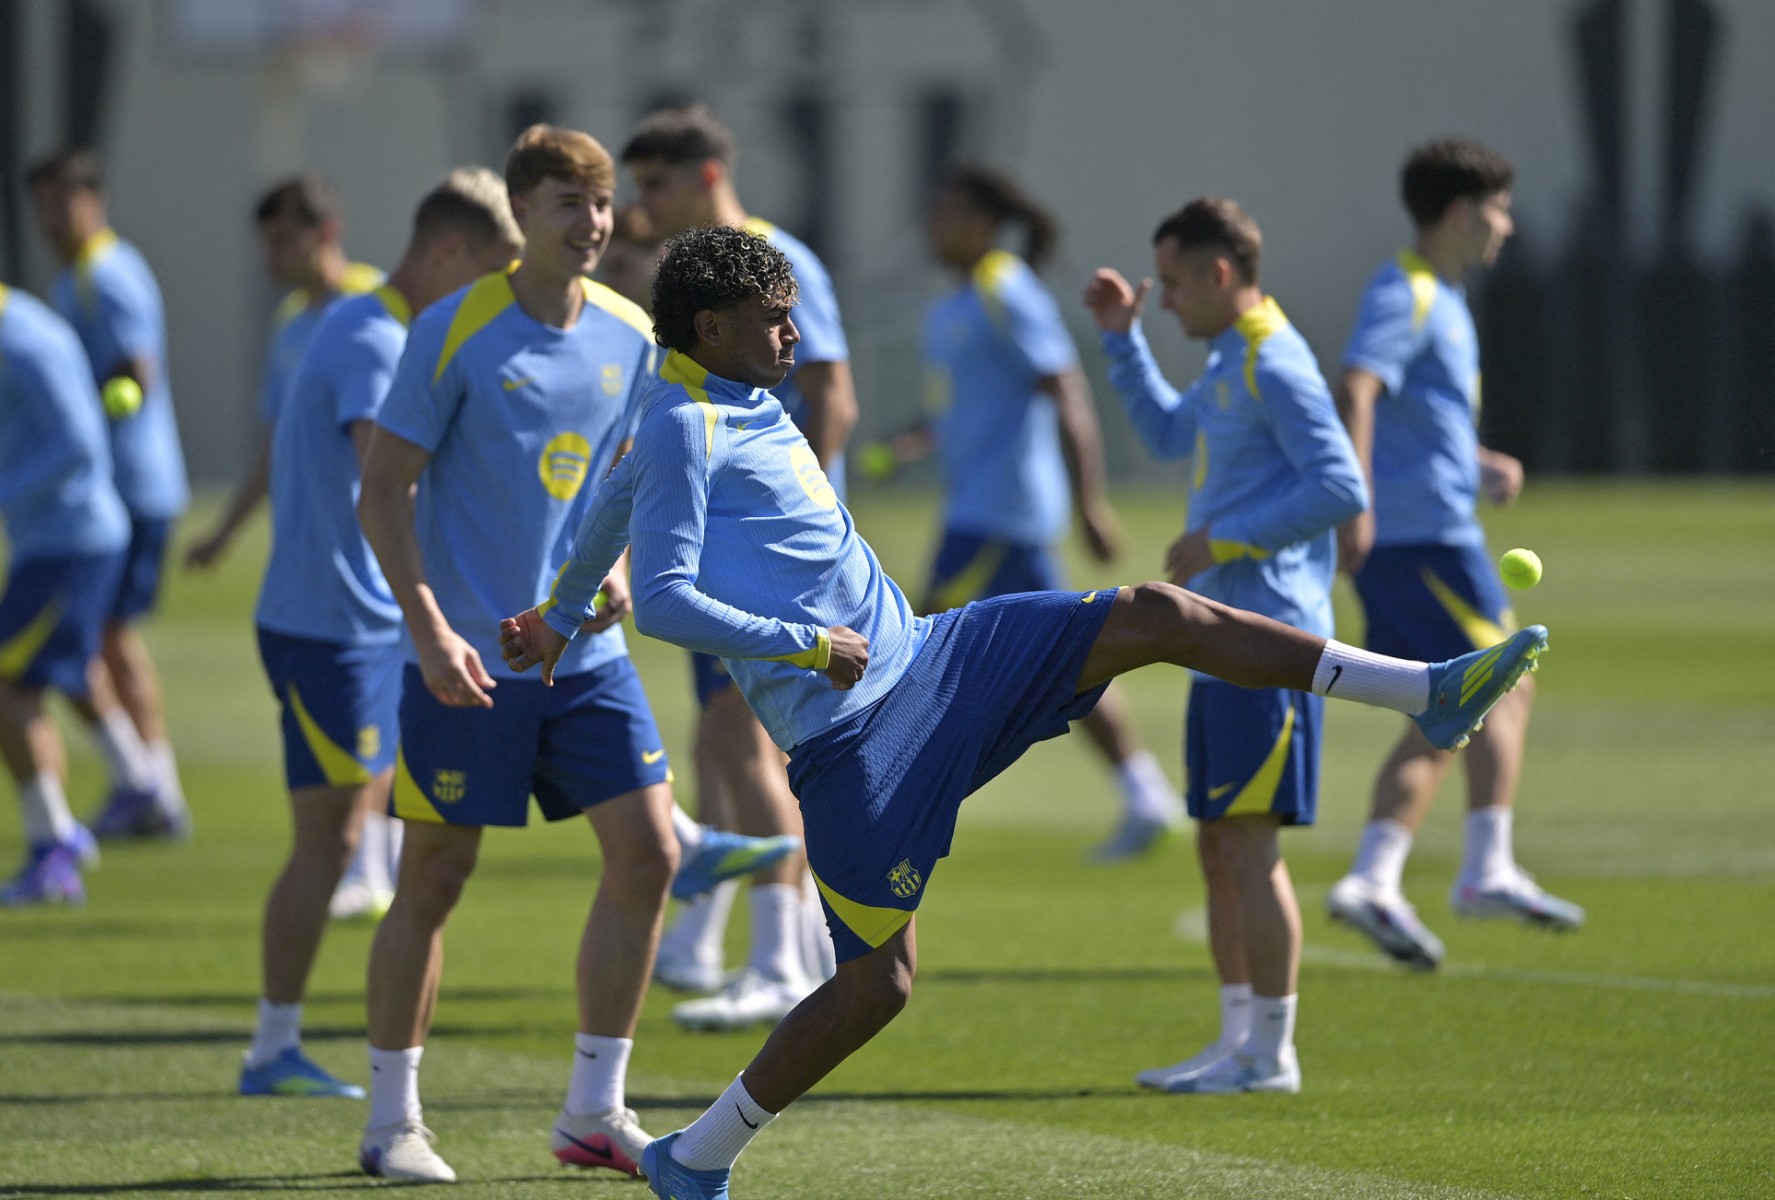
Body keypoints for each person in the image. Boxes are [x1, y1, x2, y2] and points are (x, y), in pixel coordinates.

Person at [497, 222, 1548, 1198]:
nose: (793, 335)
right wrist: (805, 645)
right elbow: (666, 602)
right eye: (773, 319)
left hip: (935, 656)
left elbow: (606, 508)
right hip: (854, 737)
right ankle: (696, 1156)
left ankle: (1424, 691)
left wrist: (556, 616)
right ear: (710, 328)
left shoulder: (723, 398)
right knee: (877, 987)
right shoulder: (684, 424)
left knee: (1155, 612)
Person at [352, 124, 784, 1185]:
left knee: (651, 854)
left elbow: (635, 479)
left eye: (599, 204)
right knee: (435, 877)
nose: (592, 223)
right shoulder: (454, 330)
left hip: (587, 660)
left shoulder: (633, 332)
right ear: (520, 213)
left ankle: (594, 1109)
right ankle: (390, 1120)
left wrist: (623, 567)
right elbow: (383, 491)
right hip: (466, 663)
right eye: (567, 204)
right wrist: (428, 628)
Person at [238, 168, 522, 1101]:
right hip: (333, 628)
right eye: (492, 272)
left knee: (346, 837)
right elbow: (388, 484)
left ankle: (282, 1044)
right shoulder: (373, 339)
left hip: (342, 621)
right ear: (450, 252)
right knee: (325, 842)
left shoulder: (368, 323)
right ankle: (272, 1047)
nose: (498, 295)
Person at [1085, 199, 1367, 1094]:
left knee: (1247, 846)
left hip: (1270, 641)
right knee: (1217, 844)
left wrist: (1226, 540)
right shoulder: (1228, 359)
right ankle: (1236, 1041)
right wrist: (1122, 342)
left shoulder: (1274, 361)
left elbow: (1340, 486)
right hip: (1220, 641)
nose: (1164, 299)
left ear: (1218, 273)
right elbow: (1168, 433)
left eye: (1171, 284)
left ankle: (1270, 1053)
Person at [1325, 137, 1583, 970]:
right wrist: (1356, 502)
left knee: (1459, 702)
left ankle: (1390, 876)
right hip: (1420, 540)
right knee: (1493, 685)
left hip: (1433, 530)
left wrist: (1476, 465)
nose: (1507, 226)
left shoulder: (1441, 295)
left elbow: (1416, 420)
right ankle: (1473, 871)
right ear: (1464, 212)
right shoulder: (1404, 290)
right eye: (1499, 210)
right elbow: (1356, 387)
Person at [621, 102, 849, 1027]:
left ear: (707, 175)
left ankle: (783, 958)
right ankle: (743, 940)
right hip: (717, 544)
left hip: (765, 554)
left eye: (655, 183)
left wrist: (801, 517)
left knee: (741, 742)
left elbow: (833, 394)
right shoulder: (691, 275)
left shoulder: (776, 260)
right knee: (721, 741)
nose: (641, 202)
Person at [892, 162, 1183, 862]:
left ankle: (897, 801)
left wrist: (1090, 502)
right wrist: (918, 440)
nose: (932, 228)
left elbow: (1065, 389)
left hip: (998, 513)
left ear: (983, 223)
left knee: (914, 651)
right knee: (1066, 651)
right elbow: (974, 407)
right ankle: (1145, 793)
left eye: (945, 214)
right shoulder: (960, 301)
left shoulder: (1005, 288)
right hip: (982, 510)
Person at [184, 174, 395, 917]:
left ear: (325, 232)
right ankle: (374, 864)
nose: (271, 256)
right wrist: (226, 530)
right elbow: (277, 438)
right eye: (265, 242)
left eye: (283, 239)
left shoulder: (374, 307)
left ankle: (373, 863)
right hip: (317, 560)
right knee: (373, 721)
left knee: (375, 717)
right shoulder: (289, 324)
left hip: (377, 560)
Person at [25, 149, 190, 839]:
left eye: (63, 200)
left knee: (105, 641)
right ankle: (149, 786)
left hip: (130, 484)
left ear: (93, 200)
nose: (51, 217)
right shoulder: (77, 274)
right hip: (115, 485)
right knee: (103, 641)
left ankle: (152, 789)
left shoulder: (106, 272)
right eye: (42, 202)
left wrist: (75, 423)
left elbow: (134, 375)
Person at [0, 284, 130, 905]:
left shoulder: (24, 340)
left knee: (9, 686)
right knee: (59, 676)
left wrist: (5, 493)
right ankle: (137, 782)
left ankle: (54, 846)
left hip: (71, 542)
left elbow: (79, 440)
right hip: (53, 542)